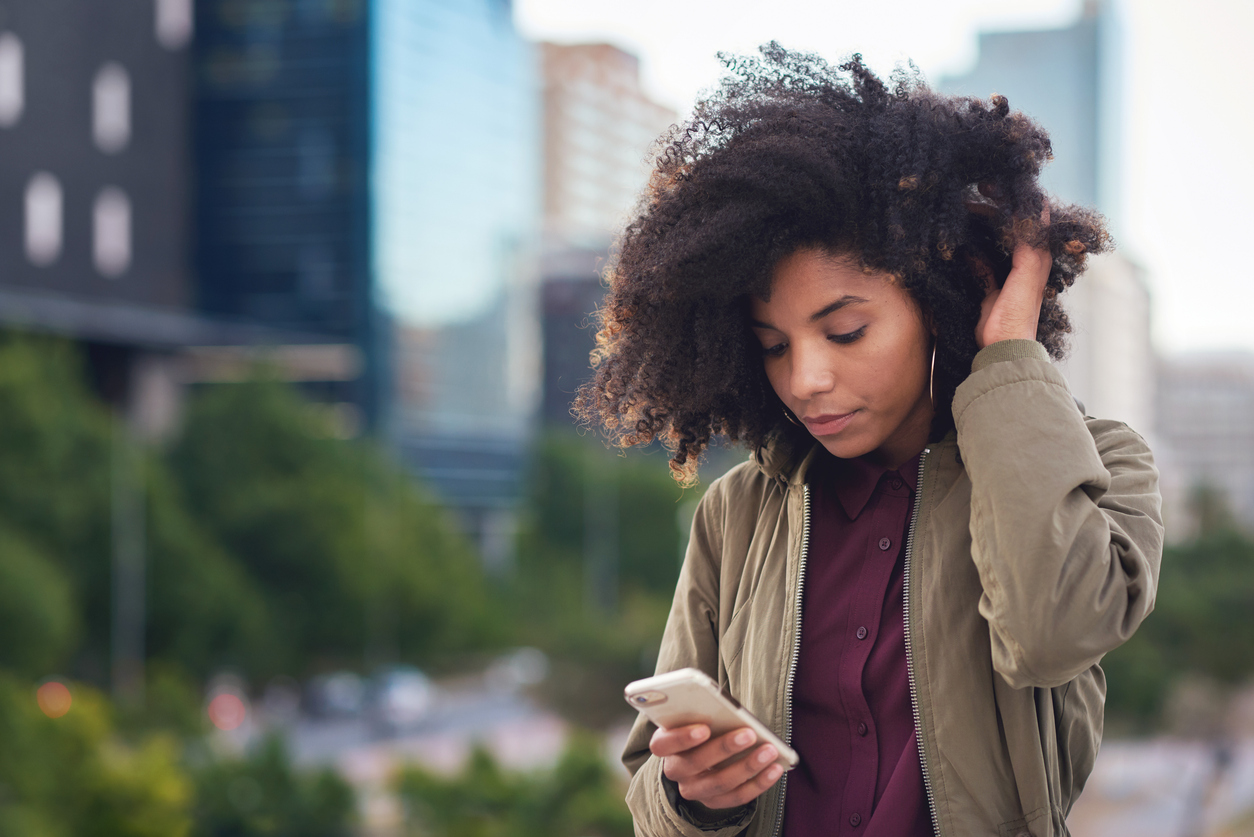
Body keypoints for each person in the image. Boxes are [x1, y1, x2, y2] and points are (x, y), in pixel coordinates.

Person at [575, 44, 1164, 837]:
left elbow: (1053, 632)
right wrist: (695, 797)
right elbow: (653, 784)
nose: (806, 378)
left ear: (940, 299)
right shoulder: (737, 512)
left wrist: (1006, 357)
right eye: (773, 345)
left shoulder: (1101, 464)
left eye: (845, 331)